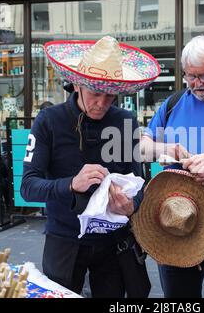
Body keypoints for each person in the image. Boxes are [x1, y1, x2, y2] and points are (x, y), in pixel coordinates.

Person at [20, 36, 159, 297]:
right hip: (64, 239)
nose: (103, 103)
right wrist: (71, 184)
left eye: (110, 95)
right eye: (96, 93)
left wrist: (132, 205)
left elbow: (140, 185)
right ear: (76, 84)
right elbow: (28, 187)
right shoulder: (49, 120)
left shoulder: (125, 120)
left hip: (113, 242)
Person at [141, 35, 204, 298]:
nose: (196, 84)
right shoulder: (174, 103)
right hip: (177, 221)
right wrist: (166, 149)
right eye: (190, 76)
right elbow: (141, 148)